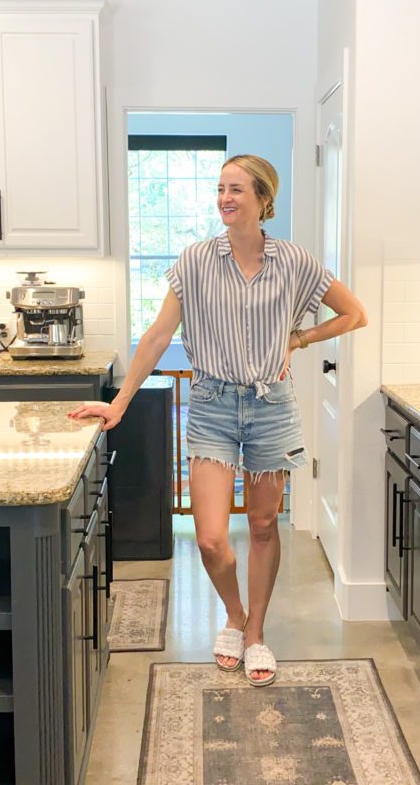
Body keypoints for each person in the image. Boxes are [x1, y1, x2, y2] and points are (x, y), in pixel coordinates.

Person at [69, 154, 367, 685]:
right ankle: (234, 613)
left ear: (262, 199)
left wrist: (299, 338)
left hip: (272, 406)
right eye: (220, 189)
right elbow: (159, 334)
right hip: (211, 407)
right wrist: (119, 402)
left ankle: (255, 633)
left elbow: (354, 313)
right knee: (209, 537)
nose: (225, 199)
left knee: (262, 524)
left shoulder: (294, 261)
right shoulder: (196, 261)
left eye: (236, 189)